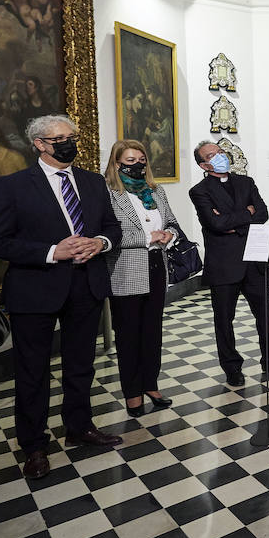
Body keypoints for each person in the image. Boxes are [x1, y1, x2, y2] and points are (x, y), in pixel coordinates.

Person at [0, 115, 123, 481]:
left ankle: (79, 427)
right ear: (40, 145)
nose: (68, 143)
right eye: (58, 138)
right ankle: (34, 445)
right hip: (35, 289)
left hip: (86, 285)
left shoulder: (93, 182)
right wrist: (51, 252)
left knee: (81, 365)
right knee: (33, 372)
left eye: (71, 136)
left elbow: (112, 227)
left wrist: (99, 242)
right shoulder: (12, 186)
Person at [189, 140, 269, 386]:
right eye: (213, 155)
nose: (220, 156)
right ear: (204, 164)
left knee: (266, 314)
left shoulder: (246, 182)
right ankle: (232, 367)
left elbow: (263, 213)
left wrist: (232, 221)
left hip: (254, 258)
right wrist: (247, 214)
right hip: (224, 264)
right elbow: (216, 224)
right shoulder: (199, 191)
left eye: (221, 152)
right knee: (224, 319)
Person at [103, 140, 183, 418]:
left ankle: (151, 383)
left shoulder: (155, 191)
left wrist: (169, 234)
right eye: (130, 160)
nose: (137, 164)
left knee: (152, 332)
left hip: (156, 266)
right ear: (117, 164)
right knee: (128, 336)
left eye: (141, 159)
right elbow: (107, 233)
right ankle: (132, 392)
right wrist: (146, 238)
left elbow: (171, 221)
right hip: (125, 270)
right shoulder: (109, 193)